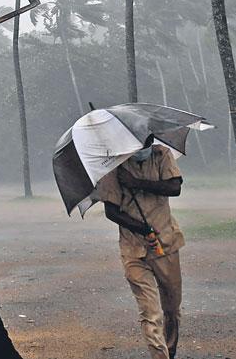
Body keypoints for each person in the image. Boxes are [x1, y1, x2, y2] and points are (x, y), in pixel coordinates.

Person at [95, 136, 184, 359]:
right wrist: (142, 229)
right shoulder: (113, 165)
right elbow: (111, 211)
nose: (142, 148)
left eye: (147, 142)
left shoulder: (161, 154)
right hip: (133, 249)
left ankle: (170, 350)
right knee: (150, 312)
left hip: (167, 243)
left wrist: (136, 183)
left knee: (172, 309)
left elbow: (174, 187)